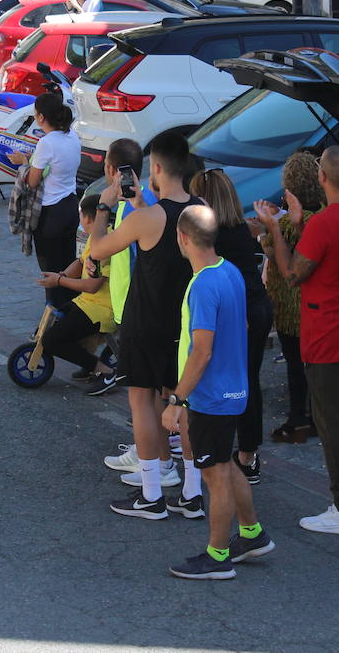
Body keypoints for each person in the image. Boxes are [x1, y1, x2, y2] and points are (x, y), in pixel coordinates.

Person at [254, 145, 339, 535]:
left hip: (326, 332)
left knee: (331, 425)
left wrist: (277, 230)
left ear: (322, 179)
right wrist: (298, 222)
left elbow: (293, 273)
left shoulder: (325, 224)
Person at [88, 131, 204, 520]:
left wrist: (105, 207)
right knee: (181, 403)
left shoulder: (148, 218)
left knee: (141, 403)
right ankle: (192, 492)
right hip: (186, 323)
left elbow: (98, 248)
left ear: (154, 167)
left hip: (145, 321)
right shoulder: (201, 211)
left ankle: (151, 494)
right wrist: (139, 200)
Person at [164, 204, 274, 579]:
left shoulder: (203, 285)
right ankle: (252, 534)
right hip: (233, 390)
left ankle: (218, 556)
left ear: (182, 238)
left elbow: (202, 350)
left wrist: (176, 398)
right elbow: (240, 325)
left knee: (213, 473)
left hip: (210, 396)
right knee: (225, 464)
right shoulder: (229, 271)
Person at [191, 168, 273, 486]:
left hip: (243, 314)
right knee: (248, 379)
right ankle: (248, 455)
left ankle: (238, 455)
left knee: (238, 382)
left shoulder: (213, 235)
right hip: (257, 308)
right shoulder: (239, 227)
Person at [260, 151, 325, 442]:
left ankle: (299, 417)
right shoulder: (323, 217)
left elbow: (272, 249)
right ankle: (319, 416)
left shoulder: (286, 224)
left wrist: (267, 227)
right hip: (317, 306)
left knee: (296, 363)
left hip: (290, 307)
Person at [87, 137, 158, 394]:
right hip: (137, 303)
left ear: (111, 170)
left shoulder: (130, 210)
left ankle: (146, 432)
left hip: (134, 306)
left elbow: (105, 248)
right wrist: (97, 258)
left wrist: (103, 207)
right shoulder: (145, 198)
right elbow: (122, 249)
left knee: (140, 392)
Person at [34, 192, 119, 382]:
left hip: (102, 309)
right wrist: (62, 275)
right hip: (88, 303)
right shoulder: (95, 237)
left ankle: (103, 371)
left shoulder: (106, 243)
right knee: (54, 319)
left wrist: (59, 282)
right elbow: (80, 262)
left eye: (80, 215)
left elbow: (92, 285)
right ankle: (87, 362)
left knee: (51, 340)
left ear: (88, 217)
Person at [9, 93, 81, 308]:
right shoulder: (73, 136)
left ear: (40, 117)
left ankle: (53, 322)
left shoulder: (46, 143)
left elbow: (32, 181)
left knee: (51, 274)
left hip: (50, 214)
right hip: (70, 207)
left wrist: (23, 162)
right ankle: (70, 315)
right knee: (68, 270)